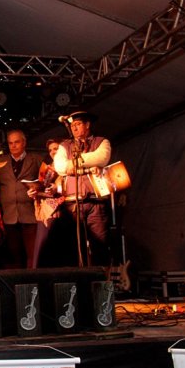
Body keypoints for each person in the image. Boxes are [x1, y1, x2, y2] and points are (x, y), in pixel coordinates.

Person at [53, 110, 111, 266]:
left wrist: (73, 165)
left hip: (96, 202)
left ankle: (100, 278)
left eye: (78, 124)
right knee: (74, 246)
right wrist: (89, 167)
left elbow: (101, 158)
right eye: (72, 125)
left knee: (100, 244)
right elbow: (59, 166)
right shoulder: (65, 145)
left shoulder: (102, 142)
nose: (74, 128)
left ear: (87, 125)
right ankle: (78, 278)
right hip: (73, 204)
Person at [0, 129, 42, 268]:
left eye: (17, 142)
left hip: (30, 213)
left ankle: (32, 277)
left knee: (32, 253)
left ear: (24, 142)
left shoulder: (36, 159)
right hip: (9, 214)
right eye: (10, 143)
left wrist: (38, 189)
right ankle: (18, 278)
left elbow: (45, 181)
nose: (13, 146)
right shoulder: (0, 162)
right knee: (14, 254)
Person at [27, 139, 64, 268]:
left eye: (56, 148)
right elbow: (42, 188)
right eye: (50, 150)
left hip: (63, 211)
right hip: (46, 211)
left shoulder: (68, 166)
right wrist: (34, 192)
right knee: (42, 246)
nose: (53, 152)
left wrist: (57, 189)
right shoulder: (48, 168)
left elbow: (70, 187)